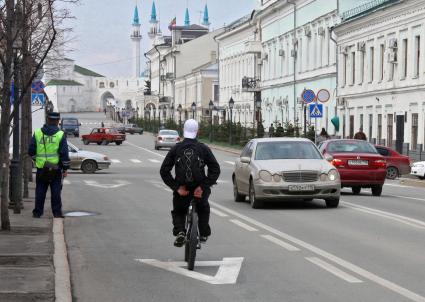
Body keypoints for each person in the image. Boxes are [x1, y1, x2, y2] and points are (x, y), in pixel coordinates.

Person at [160, 119, 221, 247]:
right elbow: (215, 169)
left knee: (178, 211)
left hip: (182, 190)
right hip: (199, 190)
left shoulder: (176, 149)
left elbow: (164, 171)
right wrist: (203, 186)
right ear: (198, 131)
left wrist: (177, 188)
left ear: (183, 130)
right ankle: (203, 233)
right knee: (203, 208)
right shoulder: (203, 148)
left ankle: (180, 231)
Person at [29, 112, 70, 218]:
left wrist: (37, 160)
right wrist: (65, 168)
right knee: (56, 191)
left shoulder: (38, 133)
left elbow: (31, 151)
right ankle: (57, 213)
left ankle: (37, 212)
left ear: (47, 120)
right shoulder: (60, 134)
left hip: (41, 167)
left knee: (40, 191)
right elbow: (64, 153)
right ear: (57, 121)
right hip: (55, 169)